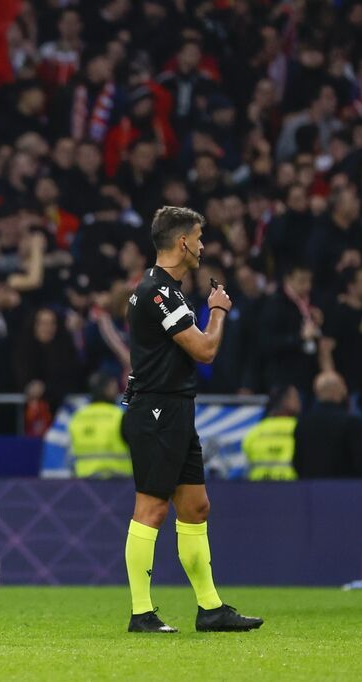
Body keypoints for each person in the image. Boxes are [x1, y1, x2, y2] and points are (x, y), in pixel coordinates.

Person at [121, 205, 263, 634]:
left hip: (176, 409)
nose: (202, 246)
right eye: (199, 238)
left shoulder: (168, 290)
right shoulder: (157, 292)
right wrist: (218, 310)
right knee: (150, 509)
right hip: (157, 410)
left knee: (196, 507)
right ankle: (141, 613)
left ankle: (210, 609)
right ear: (182, 242)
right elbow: (204, 351)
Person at [294, 371, 362, 479]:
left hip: (311, 490)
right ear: (336, 390)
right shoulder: (352, 422)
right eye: (343, 386)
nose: (345, 390)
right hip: (346, 490)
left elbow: (297, 463)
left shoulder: (302, 423)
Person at [67, 372, 131, 478]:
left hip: (84, 485)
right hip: (118, 485)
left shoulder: (77, 416)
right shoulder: (119, 416)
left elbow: (68, 452)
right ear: (109, 389)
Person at [241, 385, 301, 481]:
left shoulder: (255, 431)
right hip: (292, 488)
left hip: (257, 488)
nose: (299, 401)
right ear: (285, 401)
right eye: (295, 397)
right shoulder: (299, 429)